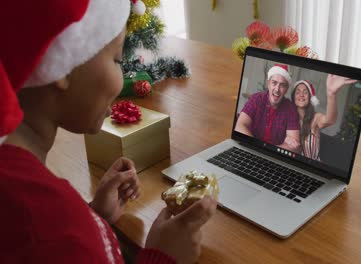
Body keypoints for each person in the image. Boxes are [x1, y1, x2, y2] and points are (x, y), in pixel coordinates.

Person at [0, 1, 217, 264]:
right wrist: (162, 257)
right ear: (64, 63)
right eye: (117, 59)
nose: (123, 76)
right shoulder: (56, 229)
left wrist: (94, 217)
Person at [235, 64, 300, 153]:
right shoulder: (256, 99)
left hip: (275, 156)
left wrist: (271, 151)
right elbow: (240, 126)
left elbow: (294, 146)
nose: (277, 89)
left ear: (286, 89)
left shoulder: (290, 109)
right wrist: (257, 149)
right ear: (268, 83)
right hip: (249, 150)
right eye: (274, 83)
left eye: (282, 85)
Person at [291, 75, 357, 160]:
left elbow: (330, 120)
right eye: (298, 92)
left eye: (305, 92)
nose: (301, 95)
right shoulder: (288, 117)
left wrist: (331, 94)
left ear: (311, 98)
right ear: (293, 97)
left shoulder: (315, 118)